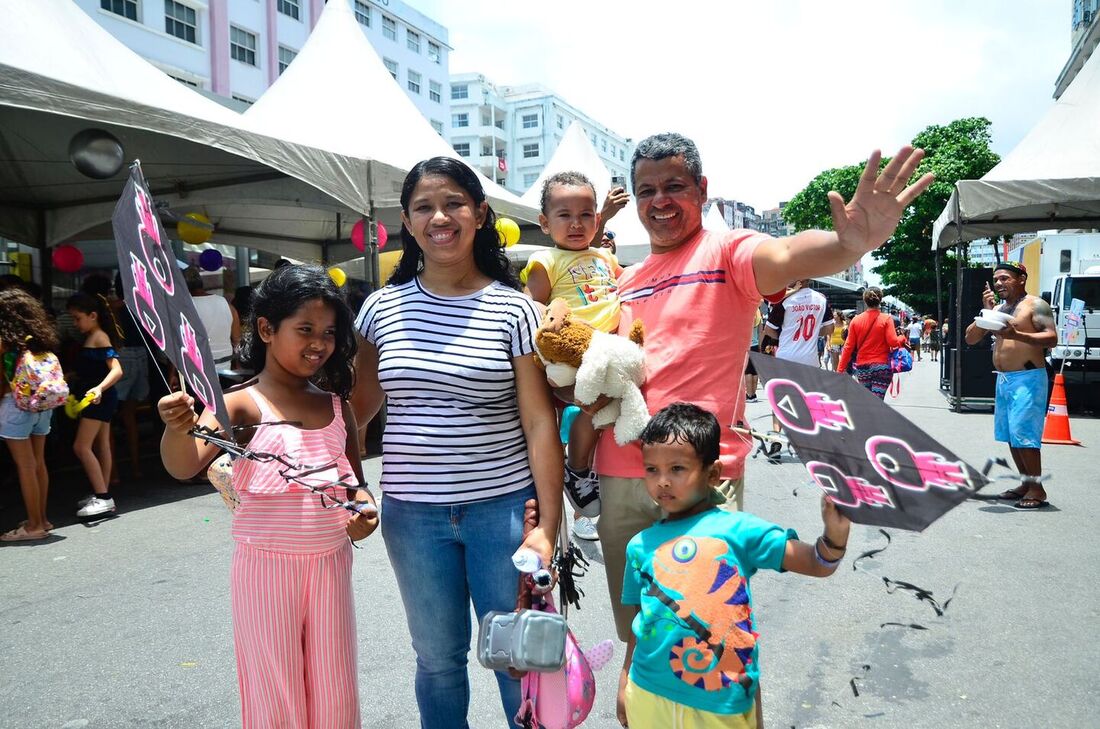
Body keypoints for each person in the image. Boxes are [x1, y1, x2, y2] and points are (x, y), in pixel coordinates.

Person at [593, 132, 931, 643]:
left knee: (713, 643)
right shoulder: (626, 279)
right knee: (641, 640)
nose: (659, 201)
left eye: (673, 186)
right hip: (621, 473)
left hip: (705, 474)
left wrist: (847, 245)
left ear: (702, 190)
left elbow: (787, 254)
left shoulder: (728, 251)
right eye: (646, 191)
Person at [350, 156, 563, 728]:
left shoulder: (513, 307)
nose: (439, 217)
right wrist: (344, 479)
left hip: (502, 510)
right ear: (407, 220)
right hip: (411, 516)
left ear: (480, 214)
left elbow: (540, 421)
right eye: (424, 207)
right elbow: (357, 410)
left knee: (516, 658)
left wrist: (548, 525)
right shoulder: (379, 308)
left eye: (453, 204)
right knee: (438, 661)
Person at [158, 264, 378, 727]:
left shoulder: (338, 407)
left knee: (334, 680)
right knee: (273, 685)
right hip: (264, 569)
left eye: (329, 332)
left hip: (330, 565)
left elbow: (355, 485)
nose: (318, 342)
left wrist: (364, 511)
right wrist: (176, 427)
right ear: (265, 329)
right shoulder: (239, 405)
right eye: (304, 329)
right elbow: (183, 464)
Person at [616, 403, 850, 728]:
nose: (663, 482)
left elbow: (817, 563)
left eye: (677, 469)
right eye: (652, 469)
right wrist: (625, 677)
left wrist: (834, 537)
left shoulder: (739, 531)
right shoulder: (639, 546)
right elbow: (640, 623)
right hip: (647, 693)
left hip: (720, 701)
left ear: (712, 473)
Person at [521, 170, 624, 537]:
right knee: (592, 406)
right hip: (572, 350)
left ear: (597, 219)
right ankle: (577, 468)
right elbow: (532, 310)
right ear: (545, 223)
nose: (576, 223)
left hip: (609, 346)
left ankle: (585, 469)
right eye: (564, 215)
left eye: (586, 214)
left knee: (608, 408)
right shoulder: (545, 259)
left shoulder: (606, 258)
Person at [965, 262, 1057, 510]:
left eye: (1004, 278)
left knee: (1025, 436)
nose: (998, 283)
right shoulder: (999, 308)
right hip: (1004, 380)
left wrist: (1017, 335)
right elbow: (970, 339)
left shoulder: (1035, 305)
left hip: (1028, 378)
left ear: (1021, 279)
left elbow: (1052, 338)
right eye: (996, 279)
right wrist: (985, 313)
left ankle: (1037, 489)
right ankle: (1026, 483)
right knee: (1012, 435)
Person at [0, 289, 61, 541]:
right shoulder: (38, 340)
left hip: (15, 408)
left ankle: (33, 526)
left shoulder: (4, 343)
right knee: (38, 464)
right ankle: (42, 519)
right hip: (42, 408)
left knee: (25, 467)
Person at [67, 292, 124, 518]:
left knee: (81, 447)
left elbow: (118, 370)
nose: (74, 323)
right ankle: (103, 493)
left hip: (96, 399)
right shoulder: (95, 336)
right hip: (98, 398)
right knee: (102, 446)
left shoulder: (99, 337)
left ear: (93, 315)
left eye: (77, 318)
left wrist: (99, 388)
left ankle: (103, 497)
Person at [763, 279, 832, 430]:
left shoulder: (785, 301)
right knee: (808, 398)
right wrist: (812, 334)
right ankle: (806, 433)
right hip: (810, 358)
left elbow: (769, 330)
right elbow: (829, 328)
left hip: (786, 356)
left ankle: (776, 434)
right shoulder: (821, 299)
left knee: (780, 397)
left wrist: (784, 335)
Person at [110, 273, 149, 483]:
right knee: (130, 416)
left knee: (107, 417)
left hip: (122, 355)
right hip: (141, 355)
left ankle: (114, 474)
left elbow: (115, 335)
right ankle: (136, 468)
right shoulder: (142, 306)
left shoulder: (115, 307)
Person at [837, 287, 906, 399]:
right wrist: (902, 338)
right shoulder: (886, 319)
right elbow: (893, 342)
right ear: (880, 300)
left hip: (863, 367)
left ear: (865, 301)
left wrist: (840, 370)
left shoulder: (856, 320)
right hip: (881, 366)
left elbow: (848, 347)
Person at [183, 266, 240, 369]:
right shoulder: (226, 305)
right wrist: (237, 366)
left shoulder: (186, 307)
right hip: (225, 366)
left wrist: (172, 374)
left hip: (198, 368)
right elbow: (237, 341)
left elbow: (180, 343)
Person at [743, 303, 766, 402]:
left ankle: (749, 394)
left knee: (747, 371)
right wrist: (761, 347)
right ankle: (754, 394)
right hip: (756, 346)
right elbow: (761, 333)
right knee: (754, 372)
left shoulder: (746, 317)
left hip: (746, 346)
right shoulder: (759, 318)